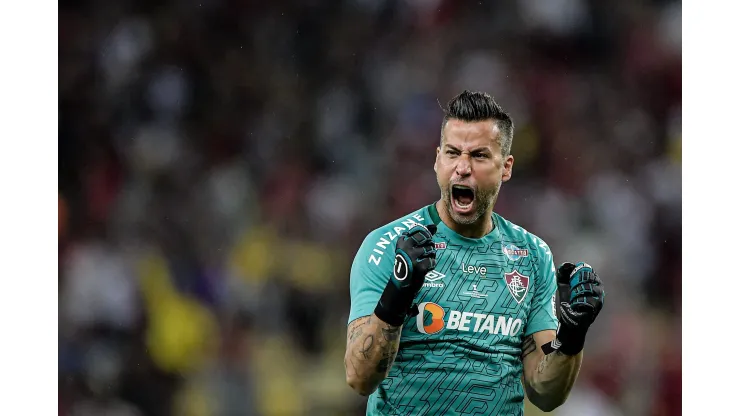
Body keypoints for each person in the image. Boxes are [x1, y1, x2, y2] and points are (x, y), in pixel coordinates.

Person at [344, 90, 605, 415]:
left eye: (479, 155)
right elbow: (359, 379)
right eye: (453, 153)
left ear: (506, 167)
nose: (462, 168)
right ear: (438, 159)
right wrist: (397, 295)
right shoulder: (387, 245)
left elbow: (545, 394)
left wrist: (572, 334)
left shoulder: (533, 256)